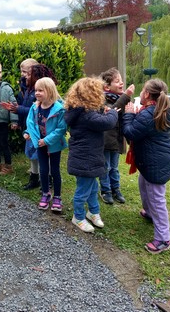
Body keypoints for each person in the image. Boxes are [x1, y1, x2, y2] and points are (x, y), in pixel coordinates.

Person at [122, 79, 170, 254]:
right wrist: (137, 116)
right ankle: (150, 213)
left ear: (146, 94)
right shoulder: (161, 110)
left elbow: (130, 133)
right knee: (144, 186)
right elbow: (144, 128)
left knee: (157, 199)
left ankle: (163, 239)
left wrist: (129, 114)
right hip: (155, 161)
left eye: (143, 90)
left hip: (155, 163)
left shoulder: (148, 114)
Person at [64, 77, 118, 233]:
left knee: (93, 187)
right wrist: (113, 112)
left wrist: (104, 110)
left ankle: (93, 212)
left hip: (88, 158)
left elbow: (98, 117)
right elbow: (106, 123)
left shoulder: (81, 111)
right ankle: (78, 217)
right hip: (85, 160)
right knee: (83, 191)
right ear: (91, 94)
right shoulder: (86, 115)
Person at [24, 77, 67, 211]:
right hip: (39, 144)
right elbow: (31, 123)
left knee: (54, 171)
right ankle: (45, 193)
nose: (36, 93)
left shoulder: (59, 109)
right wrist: (28, 132)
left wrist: (46, 140)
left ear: (49, 91)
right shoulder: (35, 107)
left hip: (54, 145)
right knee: (43, 170)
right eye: (36, 90)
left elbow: (61, 129)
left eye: (40, 90)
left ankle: (57, 197)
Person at [1, 58, 40, 189]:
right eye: (22, 71)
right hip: (27, 124)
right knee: (30, 150)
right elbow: (21, 102)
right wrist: (15, 111)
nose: (23, 74)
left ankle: (41, 176)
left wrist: (18, 109)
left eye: (25, 72)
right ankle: (35, 173)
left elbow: (38, 110)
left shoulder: (39, 88)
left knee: (37, 151)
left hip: (37, 126)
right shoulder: (25, 85)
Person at [99, 68, 135, 205]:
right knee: (106, 166)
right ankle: (105, 190)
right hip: (106, 141)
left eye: (121, 80)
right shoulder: (102, 99)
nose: (121, 83)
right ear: (107, 86)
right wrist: (126, 96)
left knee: (114, 167)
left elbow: (125, 118)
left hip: (116, 141)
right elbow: (112, 111)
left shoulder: (121, 99)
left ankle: (116, 189)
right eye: (117, 81)